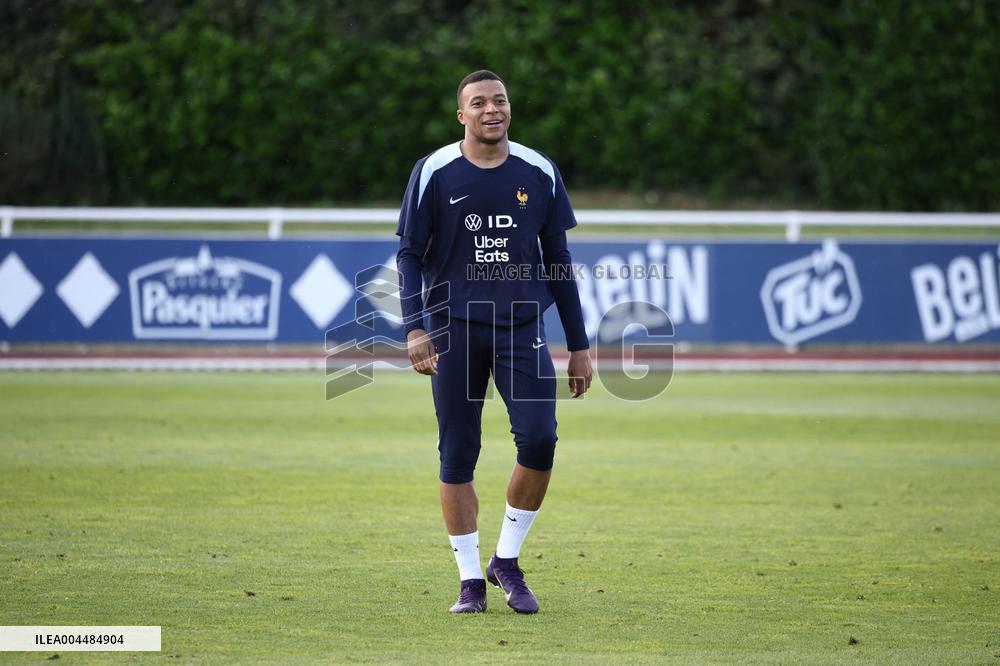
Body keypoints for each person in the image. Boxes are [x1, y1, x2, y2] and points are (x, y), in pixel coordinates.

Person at [395, 69, 592, 614]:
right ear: (462, 115)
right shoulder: (433, 171)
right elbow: (410, 255)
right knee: (458, 452)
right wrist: (414, 327)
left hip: (522, 325)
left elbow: (559, 261)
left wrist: (579, 343)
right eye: (478, 103)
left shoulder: (539, 171)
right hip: (453, 328)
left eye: (499, 101)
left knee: (540, 440)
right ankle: (469, 581)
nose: (491, 110)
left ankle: (506, 559)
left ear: (509, 109)